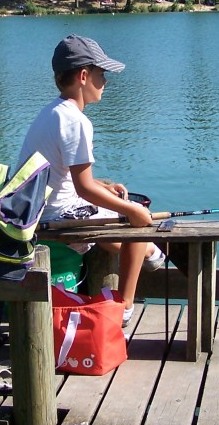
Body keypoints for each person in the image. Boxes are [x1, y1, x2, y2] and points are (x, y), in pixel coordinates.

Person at [18, 34, 165, 326]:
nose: (105, 82)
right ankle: (124, 305)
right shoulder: (77, 121)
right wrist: (132, 211)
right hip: (54, 214)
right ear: (84, 76)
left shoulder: (52, 112)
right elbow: (83, 189)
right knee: (137, 221)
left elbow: (72, 179)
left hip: (37, 208)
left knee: (119, 205)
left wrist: (104, 187)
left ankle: (149, 254)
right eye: (101, 74)